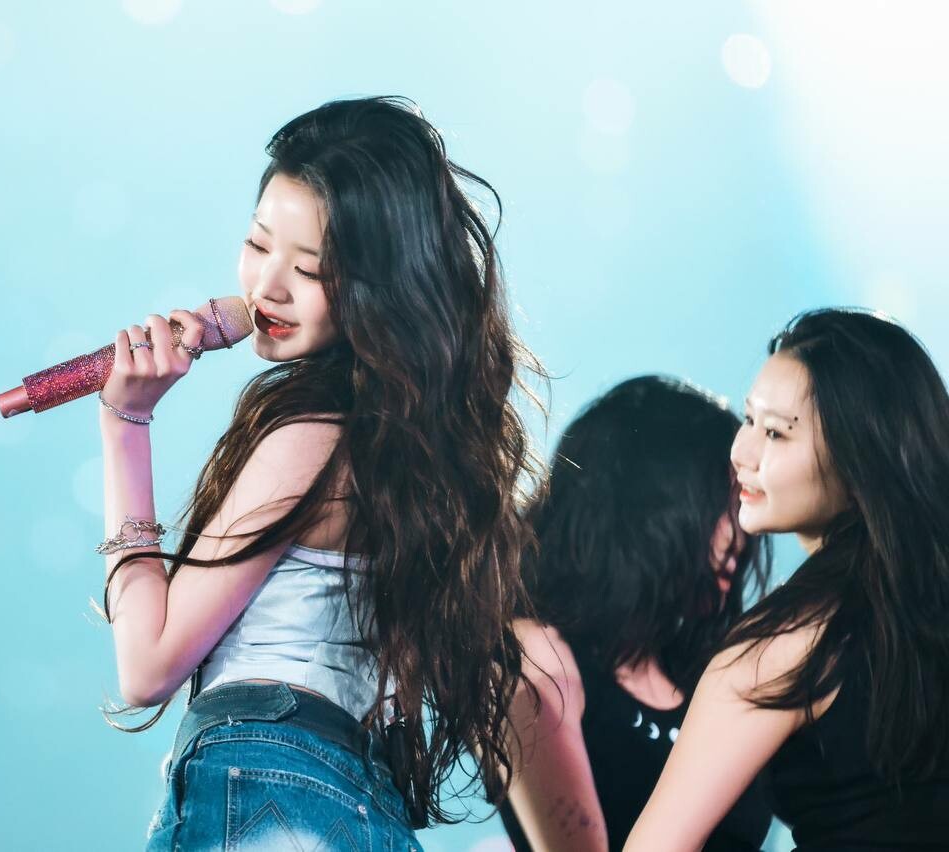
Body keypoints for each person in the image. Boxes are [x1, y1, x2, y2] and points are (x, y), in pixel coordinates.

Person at [92, 96, 543, 850]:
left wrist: (125, 424)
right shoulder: (404, 451)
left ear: (380, 287)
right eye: (256, 243)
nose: (267, 286)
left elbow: (147, 663)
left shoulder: (311, 439)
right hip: (365, 807)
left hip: (270, 783)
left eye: (311, 269)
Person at [626, 308, 949, 850]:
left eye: (776, 433)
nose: (741, 453)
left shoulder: (779, 651)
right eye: (749, 420)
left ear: (860, 456)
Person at [499, 375, 771, 851]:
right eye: (719, 504)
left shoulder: (711, 675)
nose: (738, 533)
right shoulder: (537, 657)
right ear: (650, 506)